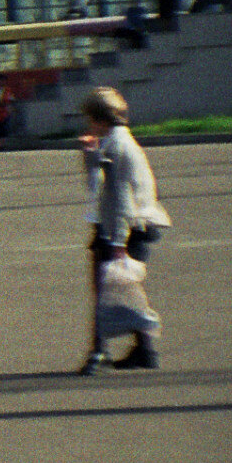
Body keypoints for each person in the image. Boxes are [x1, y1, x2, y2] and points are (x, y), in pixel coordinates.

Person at [78, 86, 170, 373]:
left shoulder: (116, 147)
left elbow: (118, 197)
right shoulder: (120, 141)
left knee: (106, 289)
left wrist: (117, 242)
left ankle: (99, 354)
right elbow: (104, 183)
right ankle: (144, 351)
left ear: (99, 119)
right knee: (126, 290)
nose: (89, 125)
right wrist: (91, 157)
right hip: (135, 225)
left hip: (122, 228)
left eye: (91, 119)